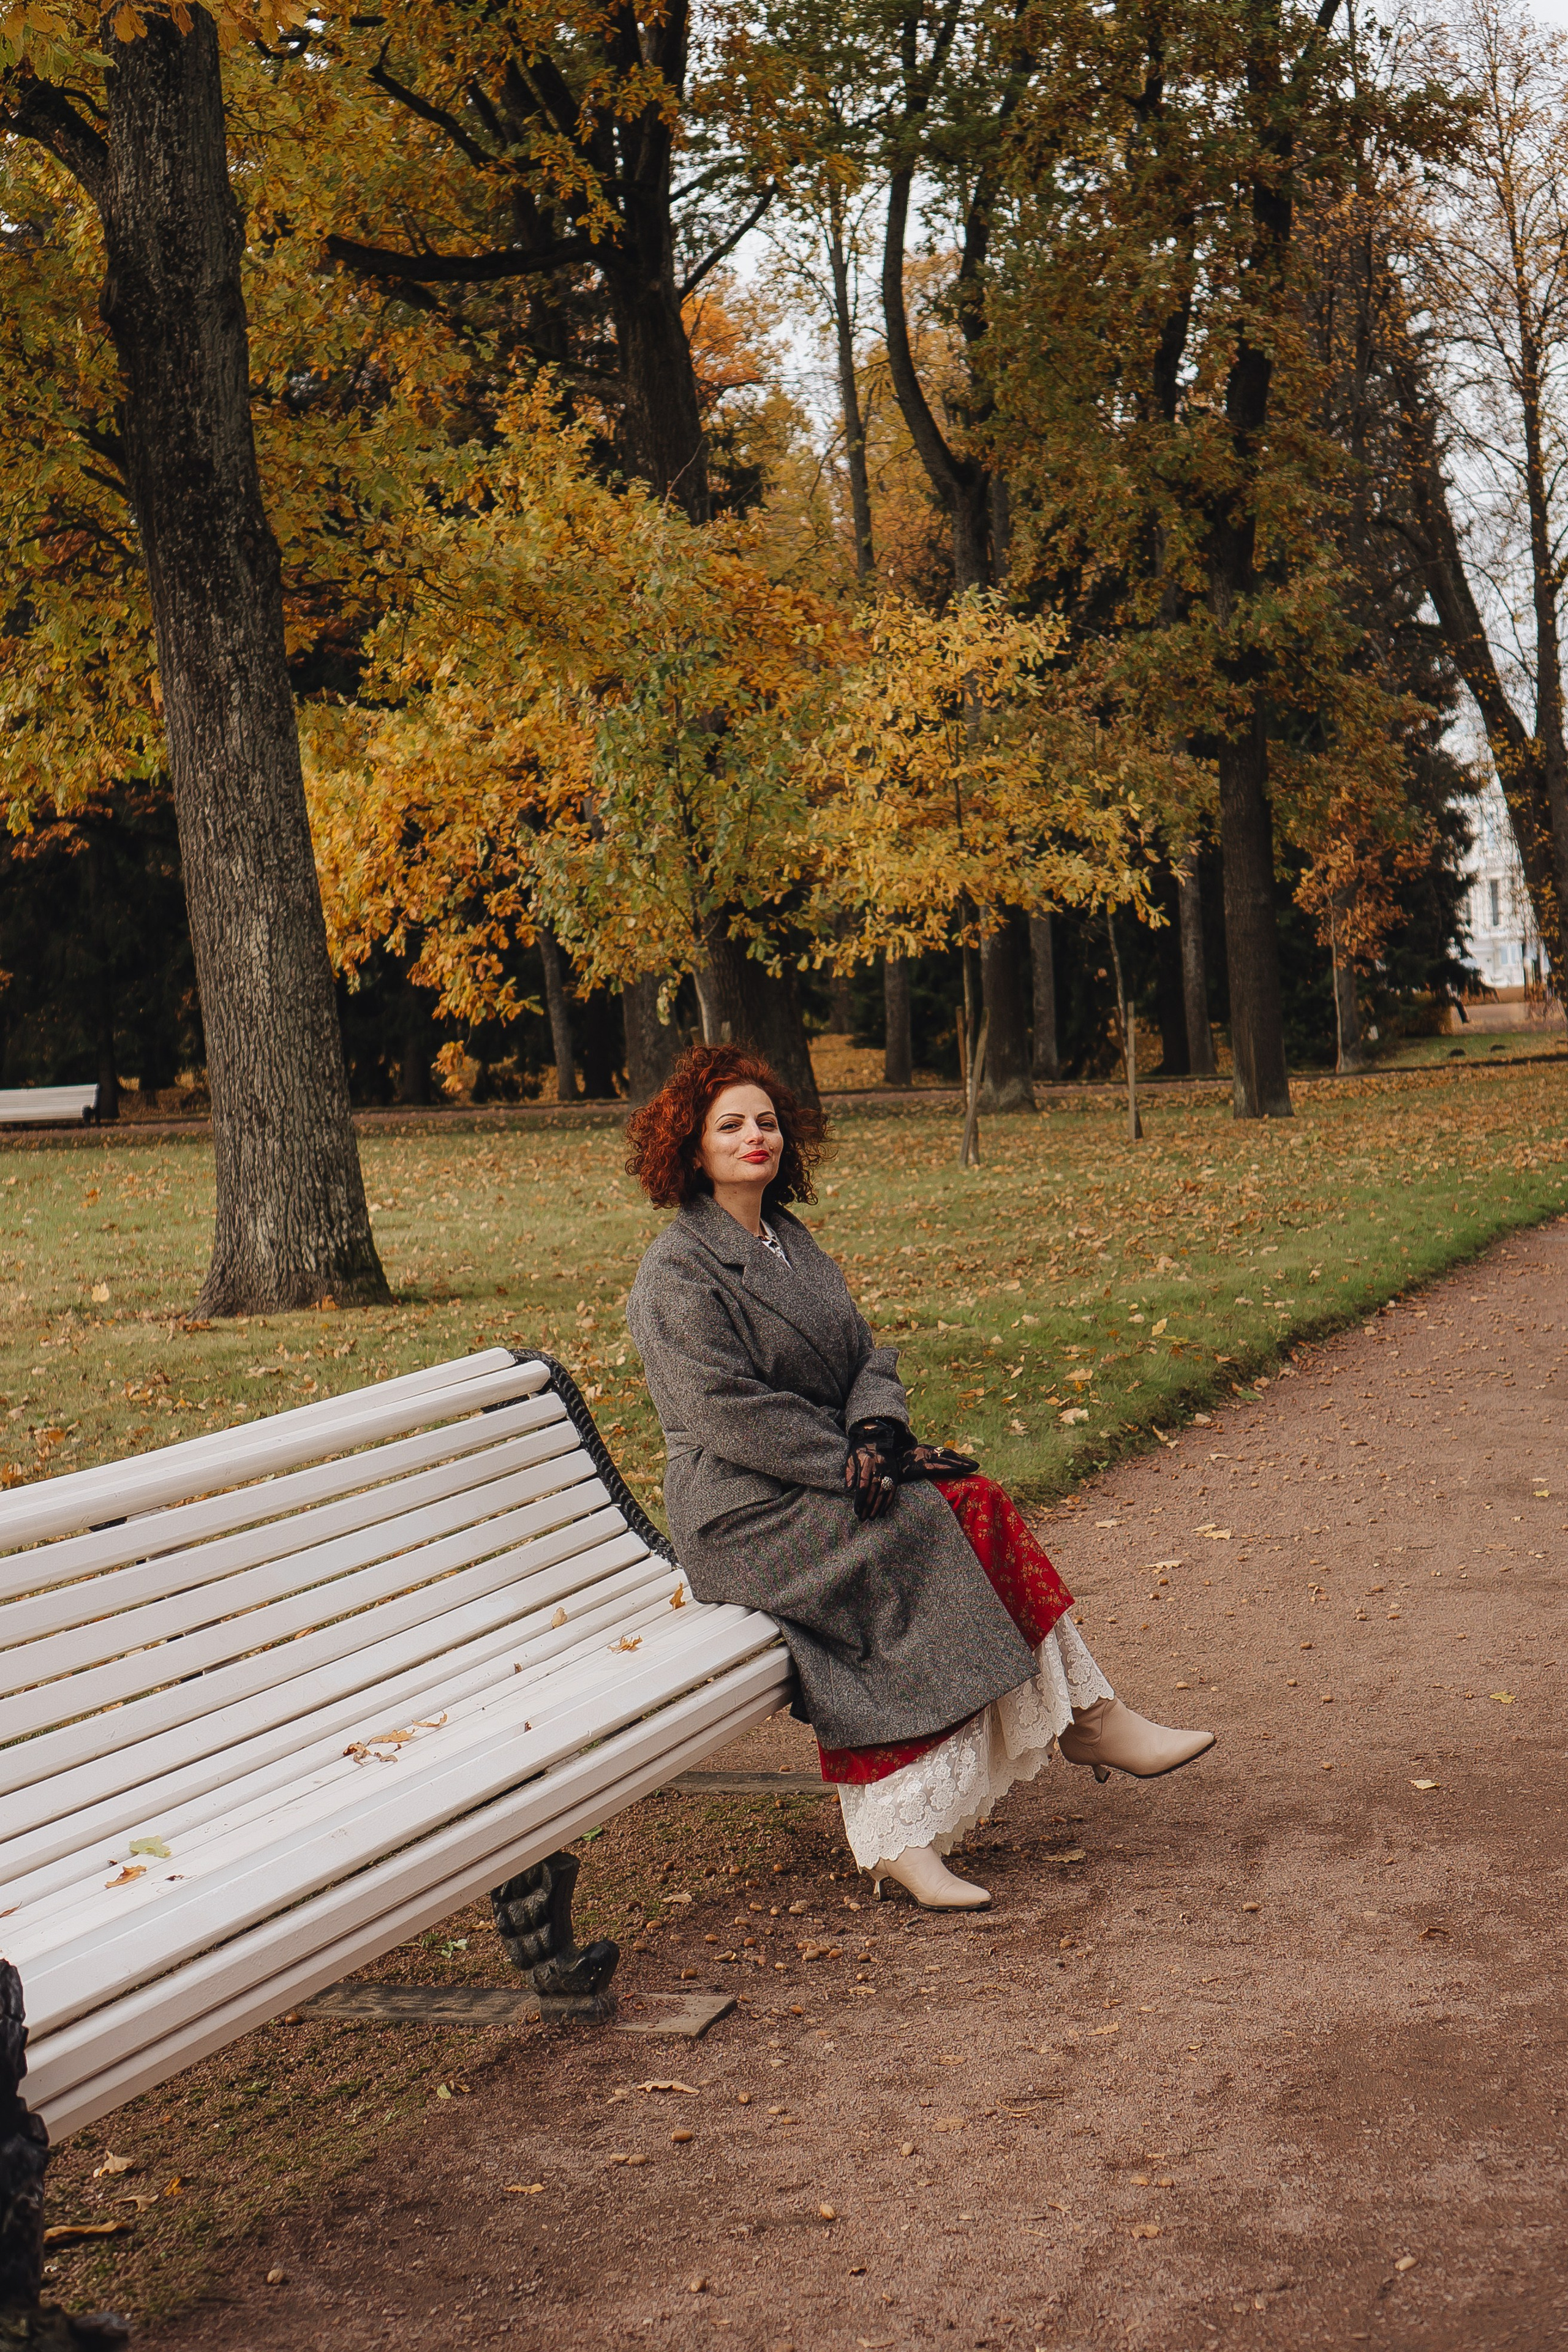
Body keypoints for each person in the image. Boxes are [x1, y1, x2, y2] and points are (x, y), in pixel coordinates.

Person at [624, 1043, 1213, 1910]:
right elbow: (725, 1414)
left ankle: (1088, 1719)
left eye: (767, 1121)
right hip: (742, 1511)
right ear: (691, 1146)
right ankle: (908, 1827)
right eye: (732, 1125)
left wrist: (876, 1429)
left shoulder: (788, 1240)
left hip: (822, 1477)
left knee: (970, 1499)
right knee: (929, 1522)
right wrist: (863, 1461)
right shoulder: (676, 1269)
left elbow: (868, 1354)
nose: (758, 1137)